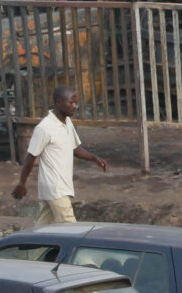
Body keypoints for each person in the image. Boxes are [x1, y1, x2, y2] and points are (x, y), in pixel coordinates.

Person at [11, 85, 109, 224]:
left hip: (58, 187)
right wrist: (22, 184)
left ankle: (34, 245)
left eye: (76, 102)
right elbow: (31, 157)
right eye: (71, 102)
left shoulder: (67, 122)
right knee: (70, 228)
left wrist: (94, 158)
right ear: (58, 102)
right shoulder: (45, 128)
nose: (75, 106)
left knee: (44, 229)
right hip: (55, 187)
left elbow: (75, 148)